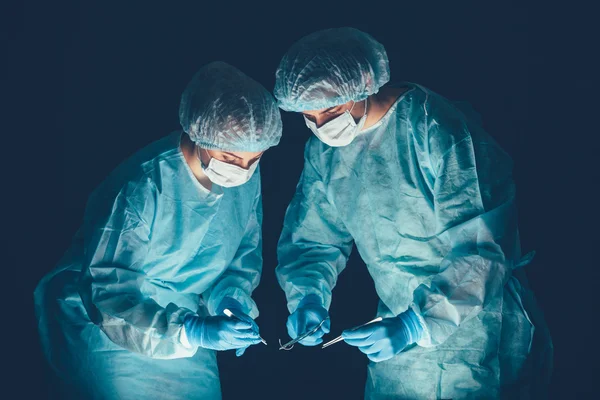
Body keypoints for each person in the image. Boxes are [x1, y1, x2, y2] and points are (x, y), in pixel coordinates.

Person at [274, 27, 550, 399]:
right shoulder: (324, 154)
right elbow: (311, 239)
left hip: (476, 330)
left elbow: (483, 249)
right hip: (399, 337)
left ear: (364, 83)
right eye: (310, 117)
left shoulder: (436, 128)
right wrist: (308, 297)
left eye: (332, 110)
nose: (322, 127)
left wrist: (418, 323)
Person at [34, 61, 282, 400]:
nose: (243, 170)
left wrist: (230, 301)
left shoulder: (244, 182)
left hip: (183, 314)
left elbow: (242, 255)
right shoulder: (144, 183)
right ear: (200, 132)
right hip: (108, 319)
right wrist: (190, 330)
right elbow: (106, 292)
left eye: (254, 159)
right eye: (231, 156)